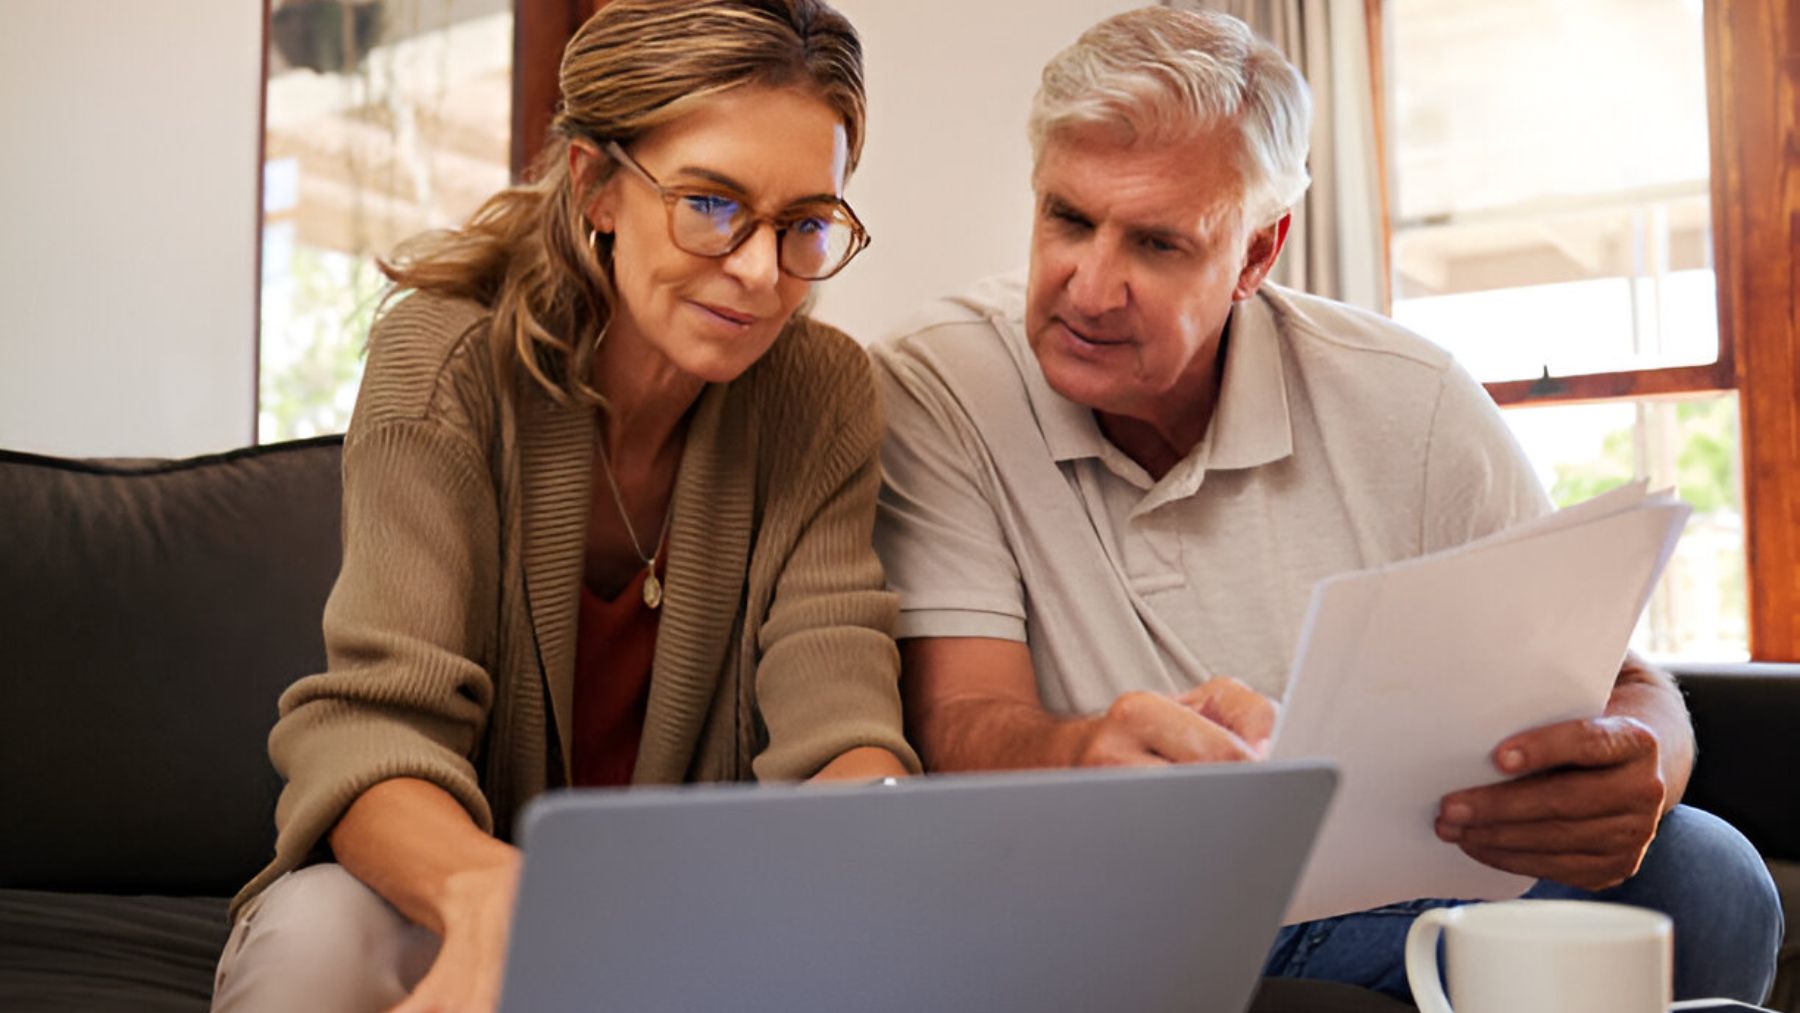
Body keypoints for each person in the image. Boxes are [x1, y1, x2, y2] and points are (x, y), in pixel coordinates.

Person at [870, 6, 1780, 1004]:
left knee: (1709, 873)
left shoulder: (1411, 397)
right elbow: (961, 714)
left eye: (1160, 244)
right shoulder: (940, 383)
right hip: (1130, 903)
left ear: (1258, 255)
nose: (1089, 288)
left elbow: (1623, 682)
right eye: (1069, 219)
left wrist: (1645, 762)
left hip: (1409, 885)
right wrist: (1080, 754)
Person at [211, 2, 917, 1010]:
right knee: (323, 936)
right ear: (596, 186)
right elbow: (374, 736)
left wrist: (881, 831)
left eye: (804, 224)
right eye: (712, 204)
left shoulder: (823, 394)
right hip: (440, 893)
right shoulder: (444, 360)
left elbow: (838, 714)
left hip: (695, 918)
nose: (762, 273)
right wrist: (493, 889)